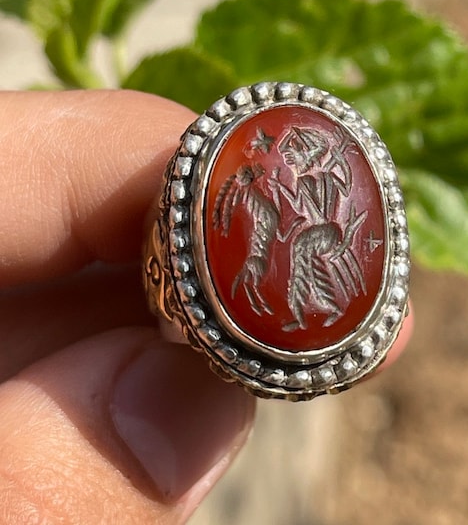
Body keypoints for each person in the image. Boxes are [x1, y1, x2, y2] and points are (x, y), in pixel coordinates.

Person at [0, 90, 413, 523]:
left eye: (294, 154)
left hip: (319, 249)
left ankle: (316, 309)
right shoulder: (276, 180)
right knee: (289, 258)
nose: (289, 161)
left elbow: (321, 204)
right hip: (223, 285)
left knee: (299, 254)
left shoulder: (323, 176)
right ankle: (307, 308)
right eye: (285, 154)